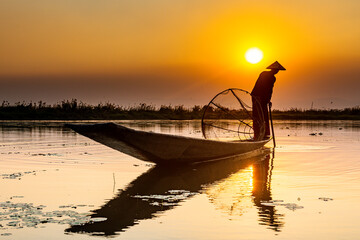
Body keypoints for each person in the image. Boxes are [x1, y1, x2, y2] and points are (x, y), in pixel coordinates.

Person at [251, 61, 286, 140]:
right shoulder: (267, 75)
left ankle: (262, 134)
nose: (277, 72)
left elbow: (269, 90)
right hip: (258, 96)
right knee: (259, 115)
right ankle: (258, 134)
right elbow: (265, 88)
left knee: (263, 115)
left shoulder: (268, 76)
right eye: (276, 70)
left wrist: (268, 100)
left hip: (260, 97)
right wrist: (267, 99)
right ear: (272, 69)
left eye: (277, 70)